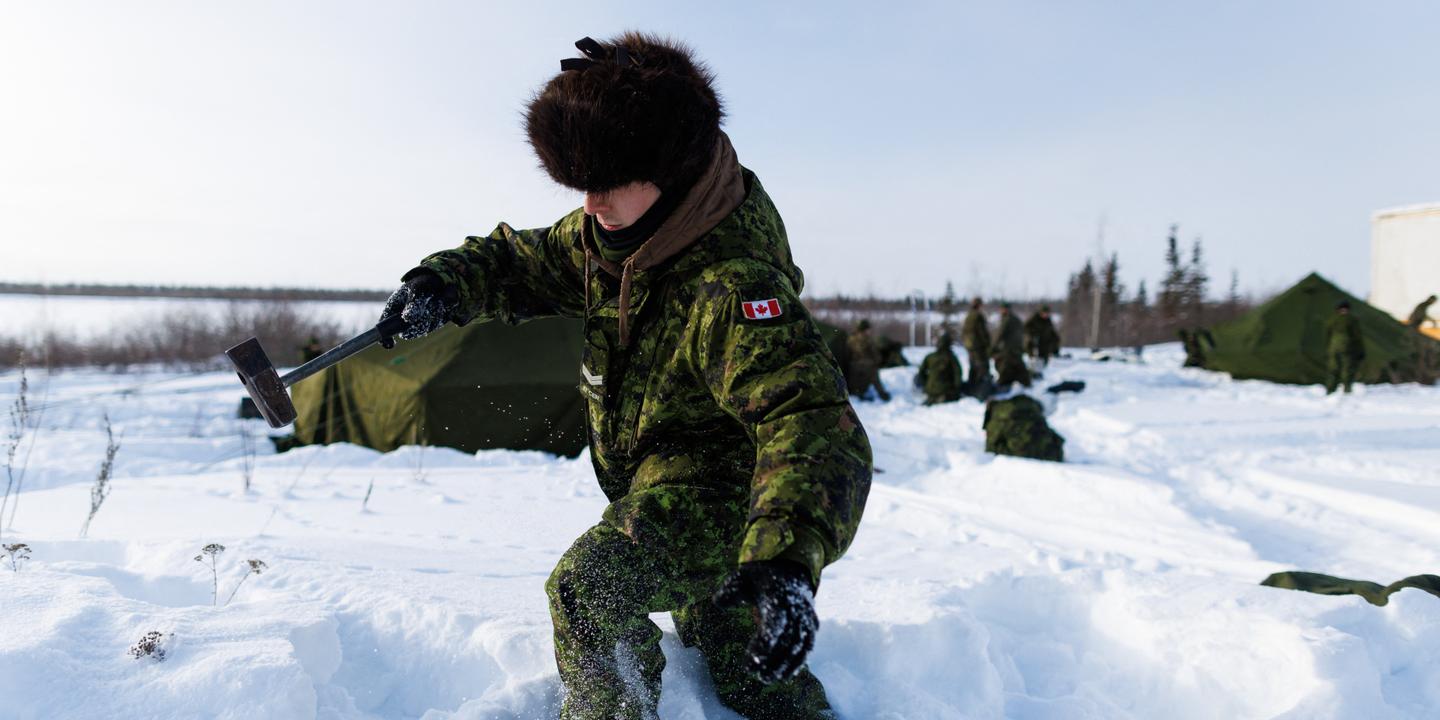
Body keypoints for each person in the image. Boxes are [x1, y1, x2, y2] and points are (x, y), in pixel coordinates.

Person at [376, 34, 871, 719]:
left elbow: (809, 420)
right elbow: (521, 261)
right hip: (660, 486)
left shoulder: (731, 286)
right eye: (582, 184)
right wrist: (442, 283)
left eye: (607, 183)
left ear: (668, 171)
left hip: (732, 497)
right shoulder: (613, 239)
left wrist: (785, 561)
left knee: (590, 590)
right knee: (750, 658)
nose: (590, 204)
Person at [1325, 300, 1365, 394]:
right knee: (1347, 369)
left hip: (1333, 348)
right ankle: (1347, 389)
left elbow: (1327, 334)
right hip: (1347, 347)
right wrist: (1360, 349)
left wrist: (1329, 347)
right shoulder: (1352, 319)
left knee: (1333, 369)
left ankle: (1330, 390)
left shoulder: (1332, 319)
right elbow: (1357, 336)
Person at [846, 319, 891, 401]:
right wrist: (876, 360)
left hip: (854, 366)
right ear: (864, 329)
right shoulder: (864, 339)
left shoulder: (852, 338)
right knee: (872, 371)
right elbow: (871, 354)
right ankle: (882, 394)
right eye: (868, 329)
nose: (869, 331)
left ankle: (859, 391)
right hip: (861, 365)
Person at [915, 331, 963, 405]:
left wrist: (926, 385)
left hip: (929, 389)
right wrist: (956, 389)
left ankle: (932, 396)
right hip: (945, 390)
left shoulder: (930, 356)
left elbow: (921, 373)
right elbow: (958, 375)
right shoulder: (952, 358)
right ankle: (941, 397)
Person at [991, 303, 1032, 389]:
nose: (1001, 311)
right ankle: (1025, 382)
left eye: (1003, 309)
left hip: (1009, 349)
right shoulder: (1016, 319)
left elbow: (1000, 334)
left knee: (1005, 366)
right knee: (1018, 365)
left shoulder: (1007, 319)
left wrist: (993, 348)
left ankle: (1003, 383)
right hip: (1017, 348)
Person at [960, 297, 992, 390]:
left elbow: (964, 331)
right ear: (979, 305)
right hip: (977, 345)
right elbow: (982, 332)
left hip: (969, 345)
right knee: (981, 365)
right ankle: (980, 386)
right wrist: (987, 343)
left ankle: (972, 384)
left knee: (972, 365)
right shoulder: (978, 315)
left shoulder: (968, 315)